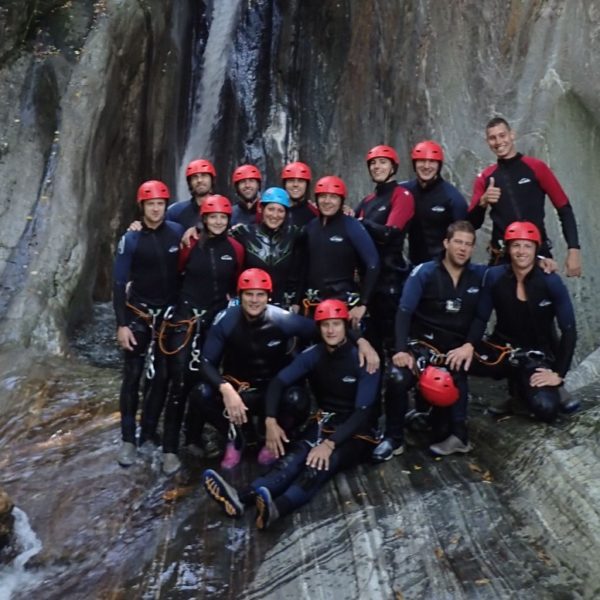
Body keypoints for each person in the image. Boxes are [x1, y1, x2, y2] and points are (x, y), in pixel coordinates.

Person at [201, 299, 380, 530]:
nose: (331, 330)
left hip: (358, 432)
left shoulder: (365, 359)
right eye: (325, 325)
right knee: (291, 460)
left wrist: (329, 444)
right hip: (325, 420)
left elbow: (363, 413)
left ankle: (277, 509)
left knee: (319, 465)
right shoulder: (314, 354)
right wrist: (271, 420)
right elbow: (278, 382)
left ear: (345, 326)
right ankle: (240, 497)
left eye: (336, 324)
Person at [373, 221, 486, 460]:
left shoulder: (480, 276)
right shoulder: (424, 272)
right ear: (446, 243)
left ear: (473, 248)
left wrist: (469, 345)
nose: (462, 248)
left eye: (468, 244)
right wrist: (401, 349)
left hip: (456, 351)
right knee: (397, 376)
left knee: (441, 428)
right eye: (458, 242)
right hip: (423, 347)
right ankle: (393, 438)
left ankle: (455, 433)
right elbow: (404, 311)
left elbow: (480, 316)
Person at [158, 195, 244, 475]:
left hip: (215, 319)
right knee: (180, 379)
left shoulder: (235, 249)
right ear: (204, 219)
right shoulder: (190, 244)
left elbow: (238, 283)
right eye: (213, 217)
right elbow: (175, 273)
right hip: (186, 316)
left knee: (205, 378)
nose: (218, 221)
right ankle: (170, 448)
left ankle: (193, 437)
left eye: (223, 217)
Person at [467, 221, 577, 422]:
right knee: (455, 361)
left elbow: (569, 330)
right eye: (516, 245)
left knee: (546, 408)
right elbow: (480, 318)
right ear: (508, 249)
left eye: (528, 246)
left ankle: (520, 396)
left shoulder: (550, 281)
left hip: (535, 356)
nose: (521, 251)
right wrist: (467, 346)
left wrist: (558, 374)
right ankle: (448, 422)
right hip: (501, 351)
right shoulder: (494, 277)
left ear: (536, 249)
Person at [112, 180, 184, 466]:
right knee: (132, 376)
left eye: (160, 204)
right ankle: (128, 439)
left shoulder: (177, 233)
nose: (156, 209)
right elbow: (118, 284)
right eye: (151, 204)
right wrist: (121, 324)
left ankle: (150, 432)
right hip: (139, 314)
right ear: (142, 206)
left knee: (163, 377)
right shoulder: (131, 239)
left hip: (168, 315)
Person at [467, 117, 581, 276]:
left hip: (537, 254)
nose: (498, 141)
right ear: (487, 142)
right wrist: (483, 201)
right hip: (502, 257)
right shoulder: (485, 177)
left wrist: (573, 250)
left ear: (512, 135)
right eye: (493, 138)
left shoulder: (536, 167)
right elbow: (471, 224)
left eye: (502, 135)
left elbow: (564, 208)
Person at [355, 144, 414, 355]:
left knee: (391, 343)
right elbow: (351, 230)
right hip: (369, 282)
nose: (376, 167)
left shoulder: (402, 195)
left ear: (393, 167)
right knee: (372, 342)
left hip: (391, 281)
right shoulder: (368, 201)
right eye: (372, 163)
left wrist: (363, 223)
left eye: (382, 162)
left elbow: (390, 234)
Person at [303, 175, 380, 329]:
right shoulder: (311, 227)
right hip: (314, 303)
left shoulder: (351, 226)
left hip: (343, 303)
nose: (327, 201)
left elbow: (373, 264)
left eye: (333, 197)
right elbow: (302, 267)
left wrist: (363, 304)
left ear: (341, 201)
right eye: (323, 196)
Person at [230, 187, 304, 310]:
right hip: (250, 305)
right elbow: (216, 234)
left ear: (286, 214)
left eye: (280, 211)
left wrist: (296, 301)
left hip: (282, 307)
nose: (275, 215)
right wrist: (196, 229)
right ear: (261, 209)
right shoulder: (243, 232)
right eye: (271, 209)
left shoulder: (295, 234)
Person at [402, 140, 468, 265]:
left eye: (432, 161)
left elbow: (464, 238)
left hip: (443, 268)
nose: (426, 166)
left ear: (439, 165)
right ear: (414, 164)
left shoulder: (452, 197)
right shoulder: (404, 191)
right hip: (414, 267)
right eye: (421, 160)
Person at [167, 159, 217, 229]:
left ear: (212, 180)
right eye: (195, 177)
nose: (199, 180)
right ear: (190, 182)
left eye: (204, 175)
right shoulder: (175, 212)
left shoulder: (224, 210)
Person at [281, 161, 318, 228]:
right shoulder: (276, 211)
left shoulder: (314, 214)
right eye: (291, 180)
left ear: (307, 185)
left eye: (300, 181)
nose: (295, 185)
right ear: (285, 184)